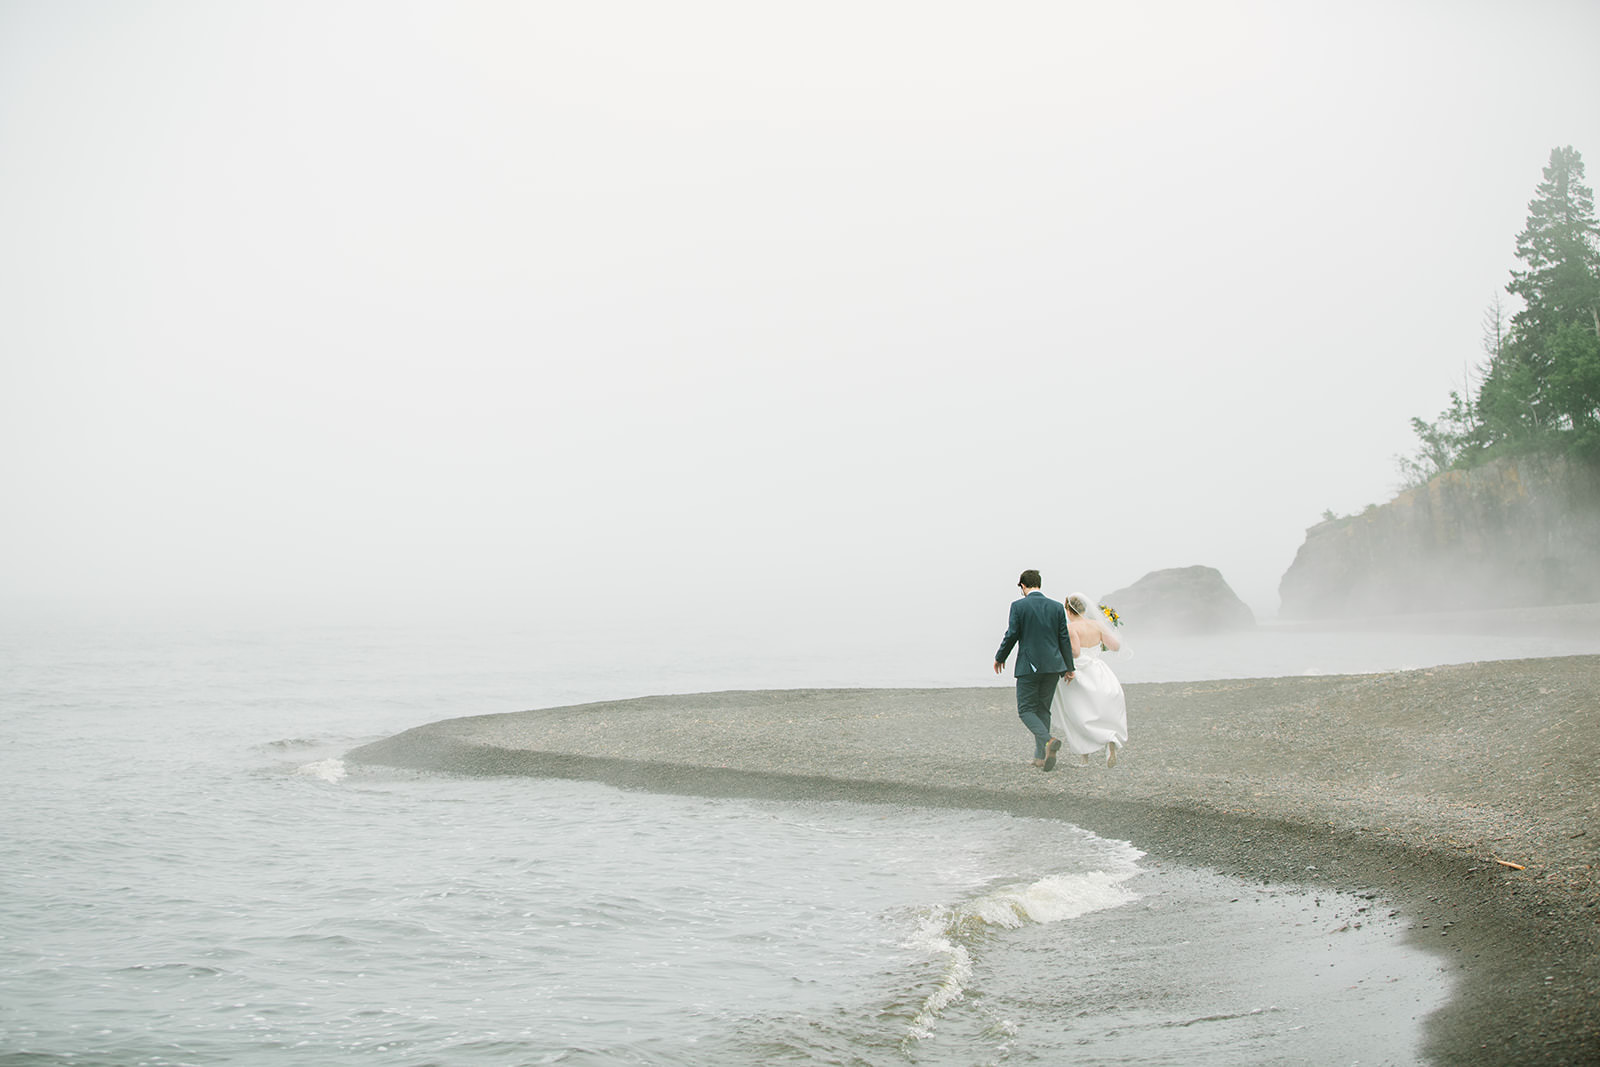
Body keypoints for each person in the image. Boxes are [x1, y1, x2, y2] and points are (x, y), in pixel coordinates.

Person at [992, 570, 1076, 771]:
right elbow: (1063, 638)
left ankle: (1048, 741)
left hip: (1029, 666)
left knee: (1025, 710)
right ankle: (1040, 757)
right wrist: (1069, 667)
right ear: (1039, 584)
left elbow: (1012, 634)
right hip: (1053, 666)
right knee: (1042, 710)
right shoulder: (1056, 607)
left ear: (1022, 586)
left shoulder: (1018, 606)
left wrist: (1000, 657)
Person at [1052, 592, 1128, 766]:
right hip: (1098, 669)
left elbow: (1076, 652)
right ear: (1084, 609)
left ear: (1068, 610)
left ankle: (1084, 758)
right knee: (1100, 707)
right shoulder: (1098, 624)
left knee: (1078, 712)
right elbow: (1115, 646)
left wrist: (1060, 647)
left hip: (1080, 671)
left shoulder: (1071, 628)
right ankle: (1110, 742)